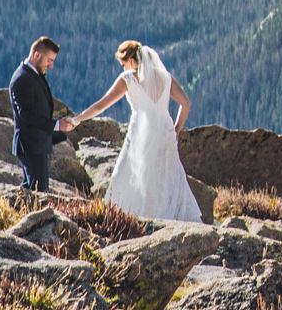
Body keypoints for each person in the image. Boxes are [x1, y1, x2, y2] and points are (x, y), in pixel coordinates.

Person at [67, 40, 203, 221]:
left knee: (133, 178)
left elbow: (101, 105)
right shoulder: (165, 77)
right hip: (165, 134)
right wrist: (177, 129)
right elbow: (185, 103)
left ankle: (136, 220)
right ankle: (172, 219)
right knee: (166, 179)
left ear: (131, 60)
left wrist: (77, 120)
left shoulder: (128, 79)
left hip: (141, 136)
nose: (123, 69)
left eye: (123, 64)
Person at [9, 36, 63, 193]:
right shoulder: (22, 78)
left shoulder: (32, 74)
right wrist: (57, 125)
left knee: (31, 191)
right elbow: (27, 114)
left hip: (36, 145)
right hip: (30, 145)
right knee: (38, 194)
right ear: (37, 55)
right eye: (49, 60)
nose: (51, 65)